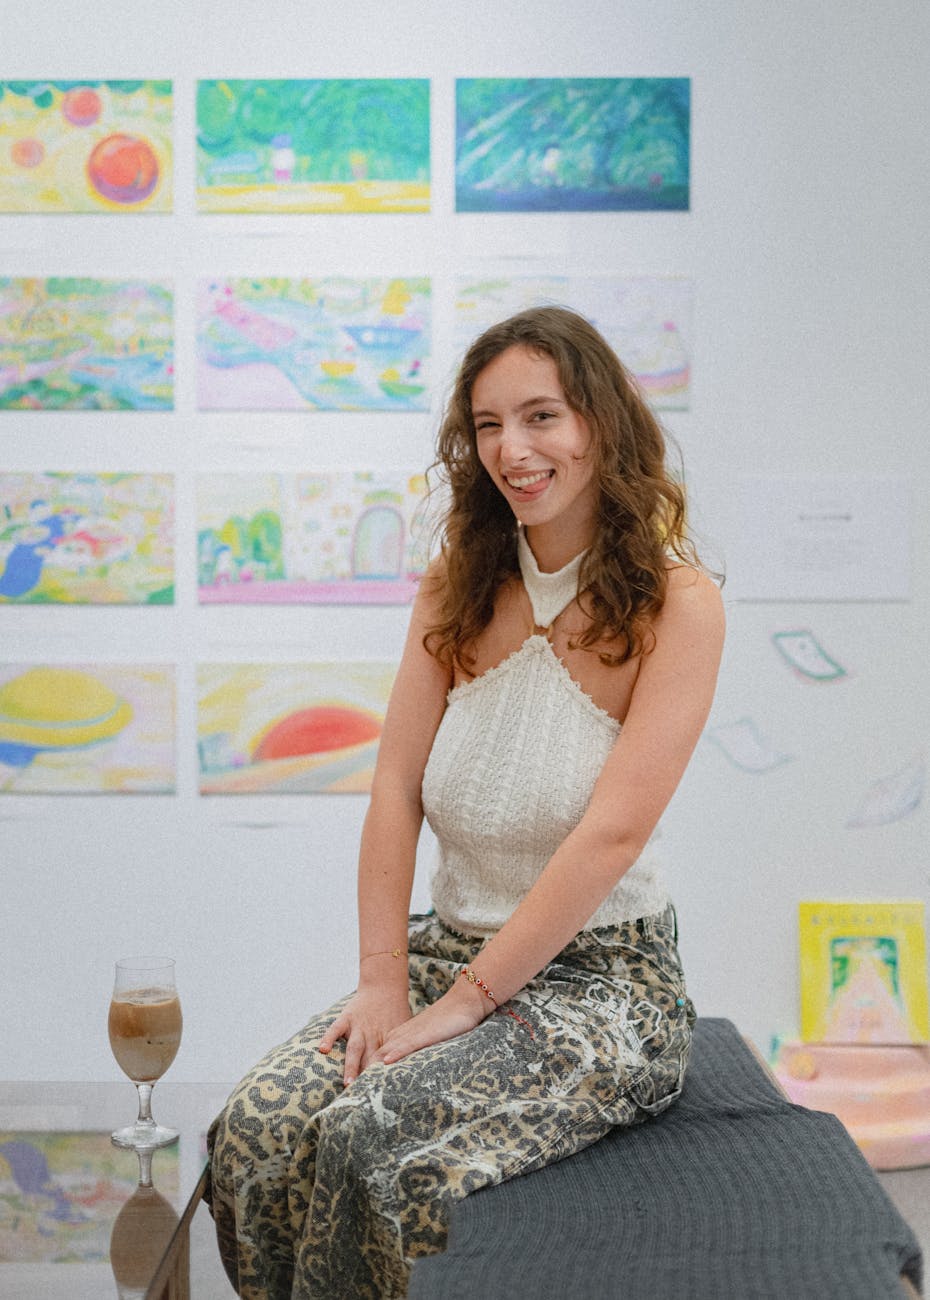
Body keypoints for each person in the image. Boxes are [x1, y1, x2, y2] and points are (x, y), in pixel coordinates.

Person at [207, 306, 725, 1300]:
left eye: (542, 416)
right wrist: (382, 980)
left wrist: (469, 1003)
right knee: (259, 1126)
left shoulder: (679, 603)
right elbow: (395, 786)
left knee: (367, 1135)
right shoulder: (455, 584)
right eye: (489, 424)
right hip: (444, 947)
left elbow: (612, 832)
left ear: (601, 425)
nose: (513, 450)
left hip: (605, 987)